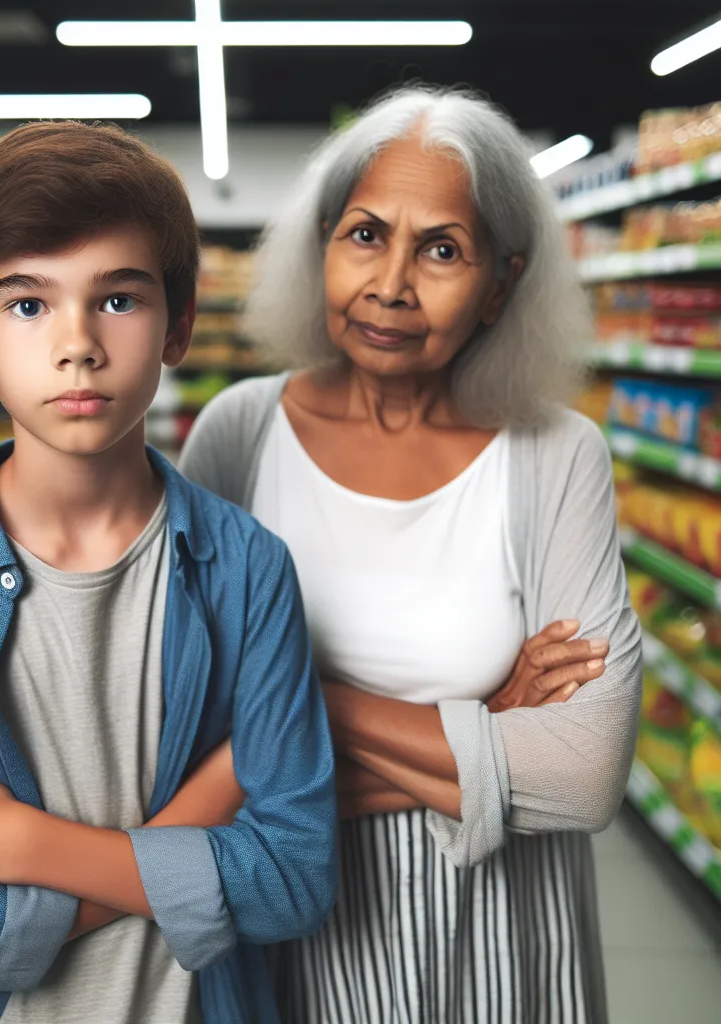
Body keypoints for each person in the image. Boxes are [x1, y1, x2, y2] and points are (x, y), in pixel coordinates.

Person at [0, 121, 338, 1024]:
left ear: (178, 324)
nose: (78, 344)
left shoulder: (248, 571)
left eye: (118, 300)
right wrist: (196, 822)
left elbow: (296, 880)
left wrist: (33, 847)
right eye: (27, 304)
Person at [179, 85, 642, 1024]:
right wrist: (483, 721)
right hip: (294, 930)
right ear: (321, 245)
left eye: (442, 248)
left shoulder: (554, 455)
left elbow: (588, 771)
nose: (391, 283)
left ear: (501, 284)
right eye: (364, 234)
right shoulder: (239, 434)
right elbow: (184, 733)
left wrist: (291, 709)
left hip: (504, 935)